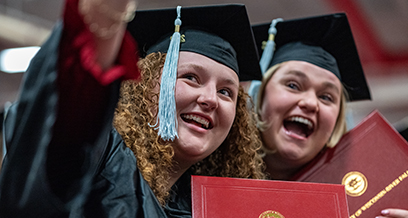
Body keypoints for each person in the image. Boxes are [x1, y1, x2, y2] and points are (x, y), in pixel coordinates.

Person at [0, 0, 264, 217]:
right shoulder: (101, 157)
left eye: (226, 92)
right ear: (143, 85)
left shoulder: (210, 210)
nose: (210, 99)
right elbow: (71, 106)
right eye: (191, 78)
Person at [247, 13, 408, 218]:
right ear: (258, 97)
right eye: (293, 85)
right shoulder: (208, 176)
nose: (310, 103)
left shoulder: (363, 201)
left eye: (326, 97)